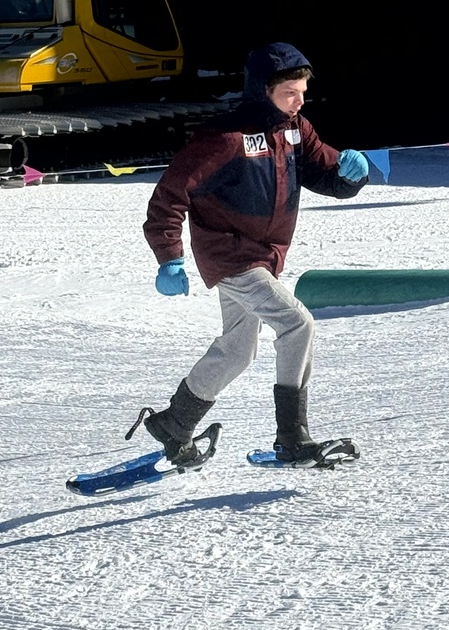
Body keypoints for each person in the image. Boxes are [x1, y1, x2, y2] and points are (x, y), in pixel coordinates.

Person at [140, 41, 369, 464]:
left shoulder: (295, 128)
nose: (299, 102)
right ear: (263, 89)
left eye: (302, 93)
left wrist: (351, 173)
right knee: (297, 325)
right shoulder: (224, 138)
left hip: (264, 256)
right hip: (230, 255)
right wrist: (169, 257)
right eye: (290, 94)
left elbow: (325, 172)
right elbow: (169, 196)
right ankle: (292, 436)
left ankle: (176, 421)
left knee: (237, 350)